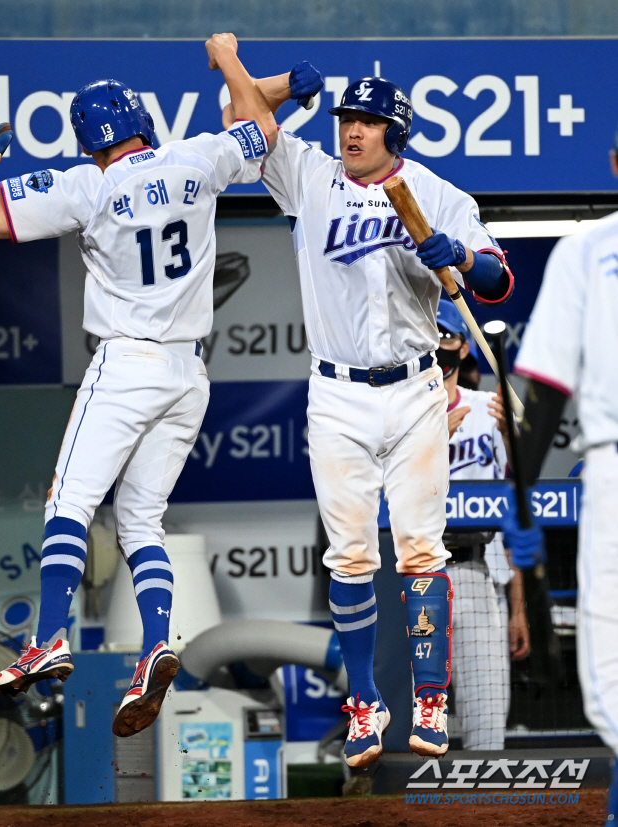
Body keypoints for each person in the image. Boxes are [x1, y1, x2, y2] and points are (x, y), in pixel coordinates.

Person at [0, 34, 278, 738]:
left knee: (69, 499)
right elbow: (263, 126)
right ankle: (158, 640)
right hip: (190, 372)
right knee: (140, 521)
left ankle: (48, 636)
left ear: (89, 141)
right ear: (141, 123)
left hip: (127, 361)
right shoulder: (198, 153)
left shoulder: (90, 183)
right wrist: (229, 59)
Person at [223, 65, 513, 764]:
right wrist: (268, 74)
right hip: (336, 392)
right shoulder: (309, 174)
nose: (352, 129)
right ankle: (364, 703)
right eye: (347, 118)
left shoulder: (437, 194)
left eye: (368, 120)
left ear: (396, 131)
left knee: (420, 551)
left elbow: (498, 280)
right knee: (349, 558)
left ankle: (431, 696)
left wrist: (462, 258)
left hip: (415, 389)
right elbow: (248, 117)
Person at [502, 134, 618, 827]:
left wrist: (522, 501)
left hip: (613, 465)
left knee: (608, 677)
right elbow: (542, 386)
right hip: (609, 457)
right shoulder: (586, 250)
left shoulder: (590, 248)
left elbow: (542, 395)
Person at [437, 299, 529, 750]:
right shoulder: (395, 414)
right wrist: (433, 441)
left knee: (487, 727)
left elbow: (519, 507)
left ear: (464, 346)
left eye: (446, 337)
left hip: (480, 577)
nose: (438, 346)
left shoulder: (488, 411)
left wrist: (519, 607)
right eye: (430, 335)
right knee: (407, 724)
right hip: (414, 580)